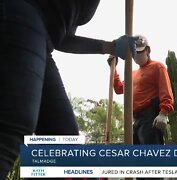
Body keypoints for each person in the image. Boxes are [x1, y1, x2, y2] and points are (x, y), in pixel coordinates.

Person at [0, 0, 137, 178]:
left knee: (64, 144)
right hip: (15, 13)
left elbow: (63, 38)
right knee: (10, 127)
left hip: (43, 40)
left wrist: (110, 47)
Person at [108, 35, 174, 145]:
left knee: (151, 158)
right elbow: (119, 88)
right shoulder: (132, 74)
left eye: (138, 52)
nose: (135, 56)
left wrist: (164, 113)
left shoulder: (157, 66)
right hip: (135, 120)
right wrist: (113, 68)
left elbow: (165, 90)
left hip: (150, 118)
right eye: (133, 53)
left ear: (147, 50)